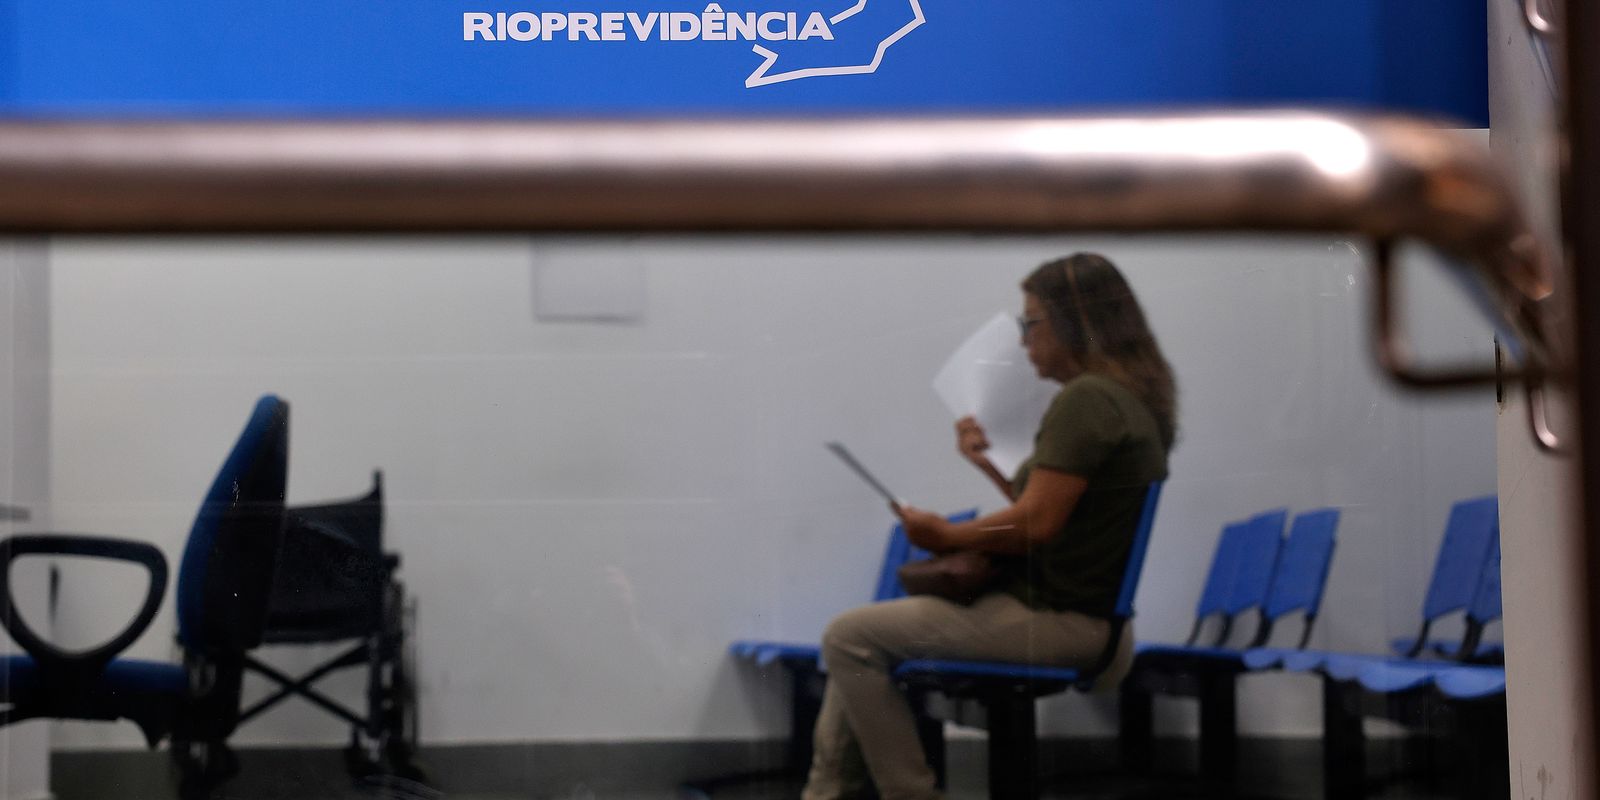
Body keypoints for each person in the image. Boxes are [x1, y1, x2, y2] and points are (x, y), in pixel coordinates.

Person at [801, 252, 1178, 800]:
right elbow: (1052, 514)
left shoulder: (1088, 398)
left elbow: (1036, 524)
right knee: (862, 637)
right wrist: (984, 464)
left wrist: (943, 536)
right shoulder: (1128, 399)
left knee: (849, 637)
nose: (1024, 340)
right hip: (1093, 626)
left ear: (1073, 320)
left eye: (1031, 322)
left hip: (1057, 621)